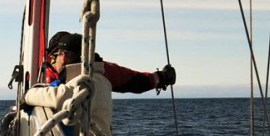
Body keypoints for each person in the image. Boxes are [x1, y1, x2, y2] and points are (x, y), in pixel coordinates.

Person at [24, 31, 118, 136]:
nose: (54, 61)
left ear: (64, 56)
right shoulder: (101, 81)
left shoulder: (88, 82)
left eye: (56, 55)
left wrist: (28, 95)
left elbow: (59, 97)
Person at [43, 31, 176, 94]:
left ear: (63, 56)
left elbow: (135, 80)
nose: (52, 62)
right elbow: (133, 80)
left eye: (53, 57)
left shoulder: (99, 70)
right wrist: (161, 78)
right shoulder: (100, 70)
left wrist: (160, 77)